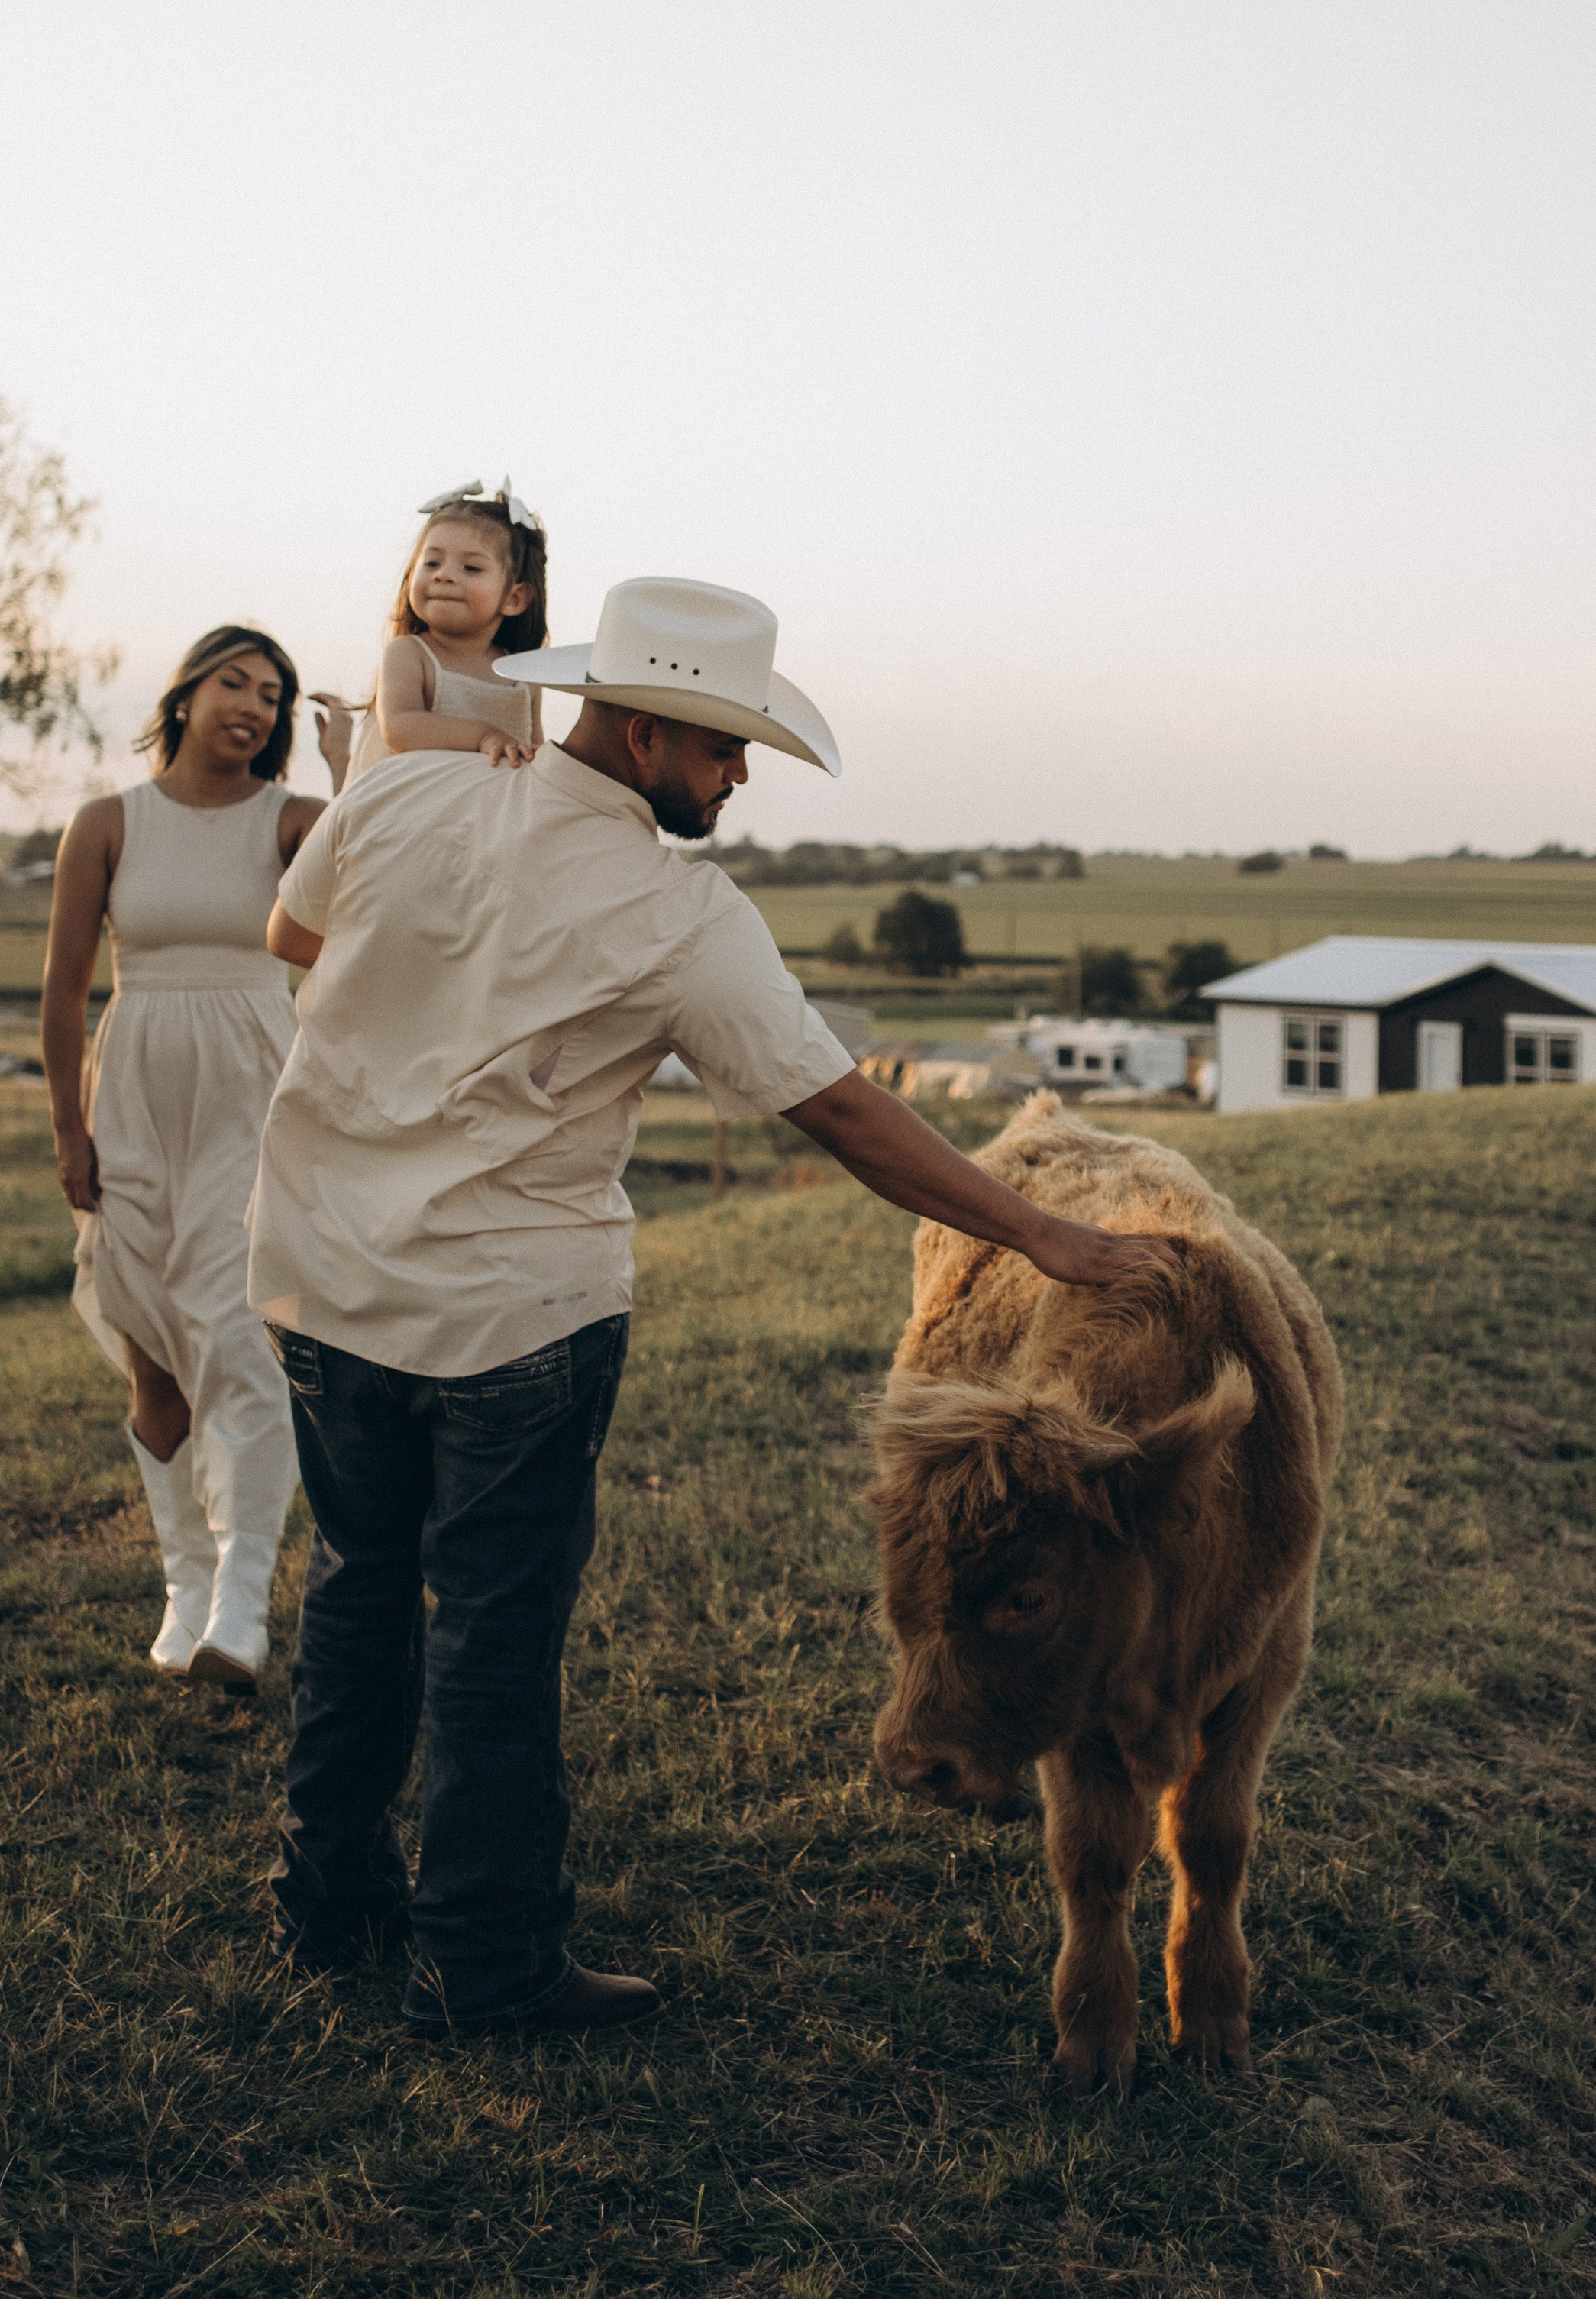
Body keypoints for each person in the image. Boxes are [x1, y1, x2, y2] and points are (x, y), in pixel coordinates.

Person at [248, 574, 1176, 2037]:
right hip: (514, 1321)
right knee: (492, 1634)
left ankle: (329, 1905)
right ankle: (484, 1966)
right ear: (637, 731)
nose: (741, 776)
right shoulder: (685, 914)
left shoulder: (390, 799)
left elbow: (296, 949)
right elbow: (849, 1117)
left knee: (359, 1586)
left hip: (316, 1276)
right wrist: (1044, 1235)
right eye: (724, 746)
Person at [40, 626, 331, 1691]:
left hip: (252, 1094)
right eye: (234, 682)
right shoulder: (107, 824)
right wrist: (72, 1134)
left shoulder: (292, 821)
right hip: (134, 1096)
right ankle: (185, 1585)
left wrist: (355, 776)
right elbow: (67, 988)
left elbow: (386, 869)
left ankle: (243, 1603)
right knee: (152, 1352)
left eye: (273, 693)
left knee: (241, 1335)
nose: (253, 704)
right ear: (187, 692)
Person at [322, 477, 549, 783]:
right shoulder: (410, 653)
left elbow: (534, 750)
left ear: (513, 598)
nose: (445, 575)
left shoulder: (524, 678)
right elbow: (401, 728)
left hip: (487, 818)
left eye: (471, 568)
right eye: (431, 563)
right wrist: (483, 735)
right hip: (408, 809)